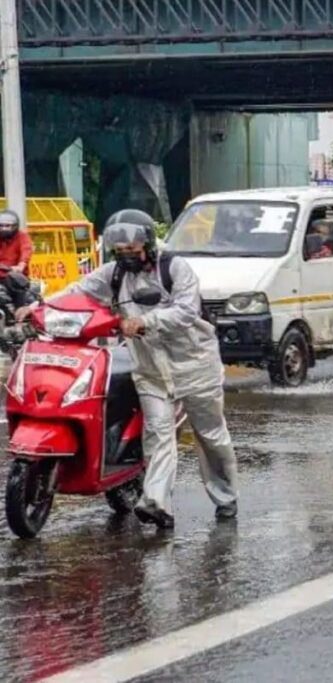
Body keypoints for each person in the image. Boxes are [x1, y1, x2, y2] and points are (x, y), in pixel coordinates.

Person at [20, 210, 239, 529]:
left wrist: (145, 321)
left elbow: (186, 312)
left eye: (133, 251)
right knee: (158, 433)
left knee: (210, 436)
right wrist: (40, 307)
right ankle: (155, 501)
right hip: (149, 368)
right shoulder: (114, 274)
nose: (127, 257)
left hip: (194, 366)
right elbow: (78, 291)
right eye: (121, 252)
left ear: (148, 245)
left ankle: (226, 497)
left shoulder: (175, 268)